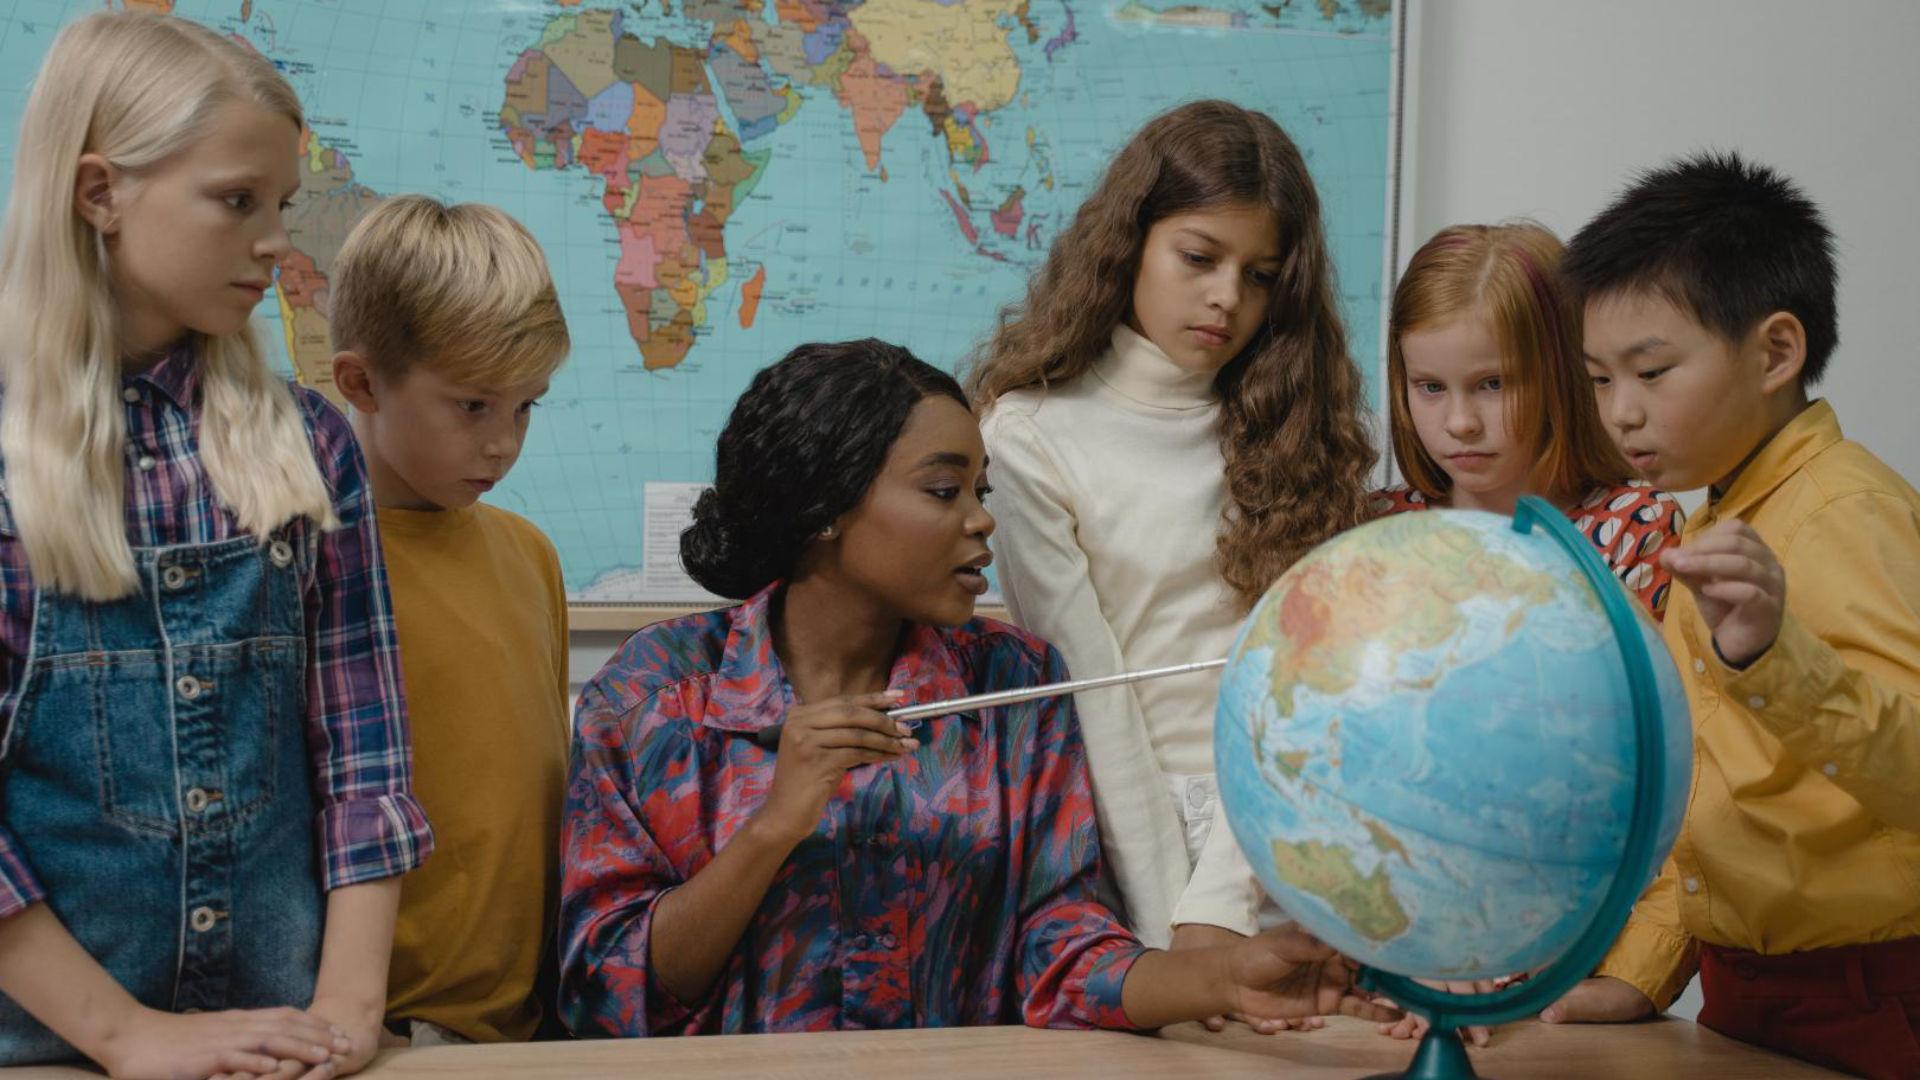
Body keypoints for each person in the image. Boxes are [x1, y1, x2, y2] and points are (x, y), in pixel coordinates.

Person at [558, 339, 1398, 1036]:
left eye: (981, 490)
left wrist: (1225, 977)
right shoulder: (655, 693)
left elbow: (1060, 954)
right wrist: (772, 827)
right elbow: (606, 991)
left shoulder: (1015, 686)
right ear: (823, 508)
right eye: (941, 489)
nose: (981, 518)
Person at [0, 11, 430, 1076]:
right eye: (237, 201)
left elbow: (365, 756)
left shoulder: (310, 445)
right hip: (45, 1051)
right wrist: (126, 1034)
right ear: (101, 192)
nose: (276, 240)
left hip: (278, 1043)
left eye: (280, 205)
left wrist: (347, 1009)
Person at [969, 103, 1376, 1034]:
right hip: (1127, 856)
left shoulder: (1296, 430)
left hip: (1290, 832)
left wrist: (1224, 905)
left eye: (1260, 276)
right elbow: (1094, 694)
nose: (1227, 298)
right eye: (1199, 258)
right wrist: (1176, 934)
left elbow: (1295, 686)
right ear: (1129, 243)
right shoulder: (1028, 434)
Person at [1543, 152, 1920, 1080]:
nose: (1621, 414)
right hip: (1746, 994)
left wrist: (1774, 659)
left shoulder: (1844, 511)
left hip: (1875, 998)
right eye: (1598, 379)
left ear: (1776, 352)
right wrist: (1643, 973)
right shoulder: (1713, 526)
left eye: (1653, 371)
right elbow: (1713, 795)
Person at [328, 196, 572, 1045]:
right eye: (472, 406)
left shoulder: (529, 555)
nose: (503, 444)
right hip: (370, 1031)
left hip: (521, 1029)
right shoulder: (303, 564)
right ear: (361, 383)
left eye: (527, 406)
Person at [1373, 222, 1682, 620]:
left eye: (1493, 384)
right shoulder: (1375, 524)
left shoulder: (1635, 525)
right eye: (1430, 387)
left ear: (1562, 375)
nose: (1461, 423)